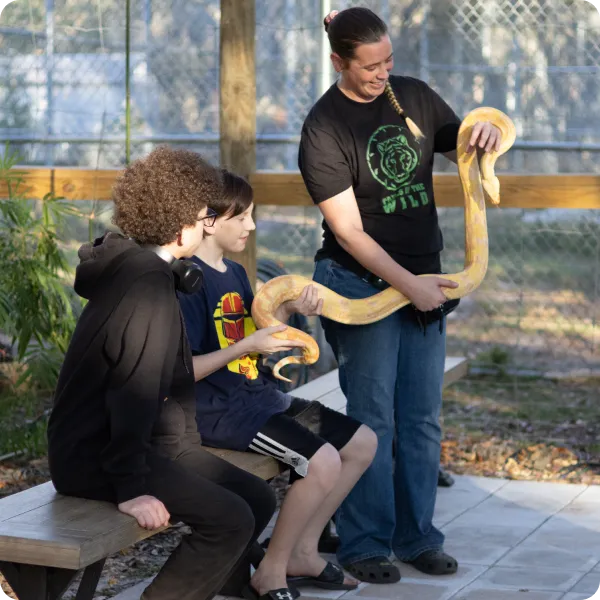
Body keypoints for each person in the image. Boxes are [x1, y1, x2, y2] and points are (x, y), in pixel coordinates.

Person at [298, 7, 503, 583]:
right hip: (358, 286)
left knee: (421, 419)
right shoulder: (323, 128)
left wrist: (486, 132)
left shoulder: (412, 95)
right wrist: (407, 287)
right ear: (338, 62)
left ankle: (418, 538)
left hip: (424, 282)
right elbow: (348, 231)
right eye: (370, 66)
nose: (382, 73)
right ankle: (364, 544)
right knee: (373, 420)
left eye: (388, 61)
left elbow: (464, 147)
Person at [47, 147, 276, 600]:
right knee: (231, 519)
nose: (209, 225)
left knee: (257, 498)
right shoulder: (146, 285)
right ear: (180, 221)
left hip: (143, 444)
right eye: (206, 216)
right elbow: (132, 390)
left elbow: (166, 382)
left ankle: (221, 584)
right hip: (96, 457)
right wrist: (131, 489)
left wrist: (182, 448)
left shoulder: (149, 269)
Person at [178, 169, 378, 600]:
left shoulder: (234, 272)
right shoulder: (186, 281)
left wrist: (287, 313)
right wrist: (247, 345)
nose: (251, 226)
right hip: (219, 412)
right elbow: (183, 370)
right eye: (241, 217)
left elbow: (252, 342)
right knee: (322, 461)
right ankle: (270, 570)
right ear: (208, 221)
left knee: (362, 443)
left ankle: (303, 552)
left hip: (256, 397)